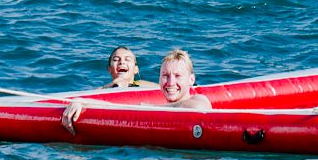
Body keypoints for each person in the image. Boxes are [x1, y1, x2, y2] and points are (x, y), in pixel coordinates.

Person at [61, 48, 211, 134]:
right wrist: (83, 102)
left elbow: (200, 107)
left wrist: (153, 109)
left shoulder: (198, 100)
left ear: (191, 80)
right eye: (165, 76)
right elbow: (116, 107)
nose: (170, 82)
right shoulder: (107, 89)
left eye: (178, 76)